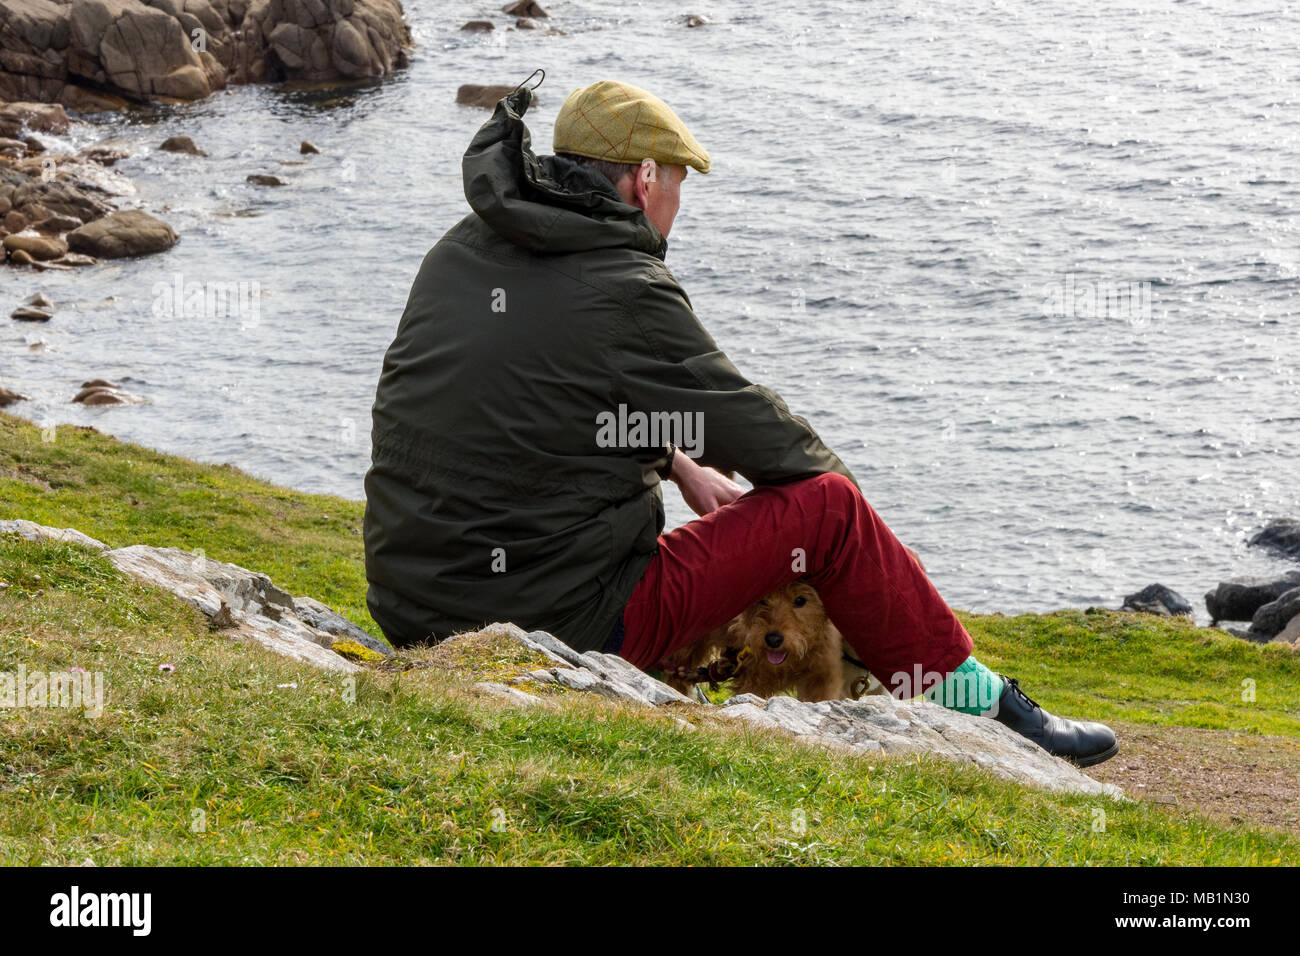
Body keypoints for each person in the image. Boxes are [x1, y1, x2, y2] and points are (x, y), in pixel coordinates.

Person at [363, 79, 1118, 766]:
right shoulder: (624, 285)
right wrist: (870, 552)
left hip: (411, 599)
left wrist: (677, 462)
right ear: (645, 179)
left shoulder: (461, 250)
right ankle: (988, 711)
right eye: (679, 182)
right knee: (830, 510)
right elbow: (769, 440)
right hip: (554, 618)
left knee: (811, 512)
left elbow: (534, 394)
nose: (678, 205)